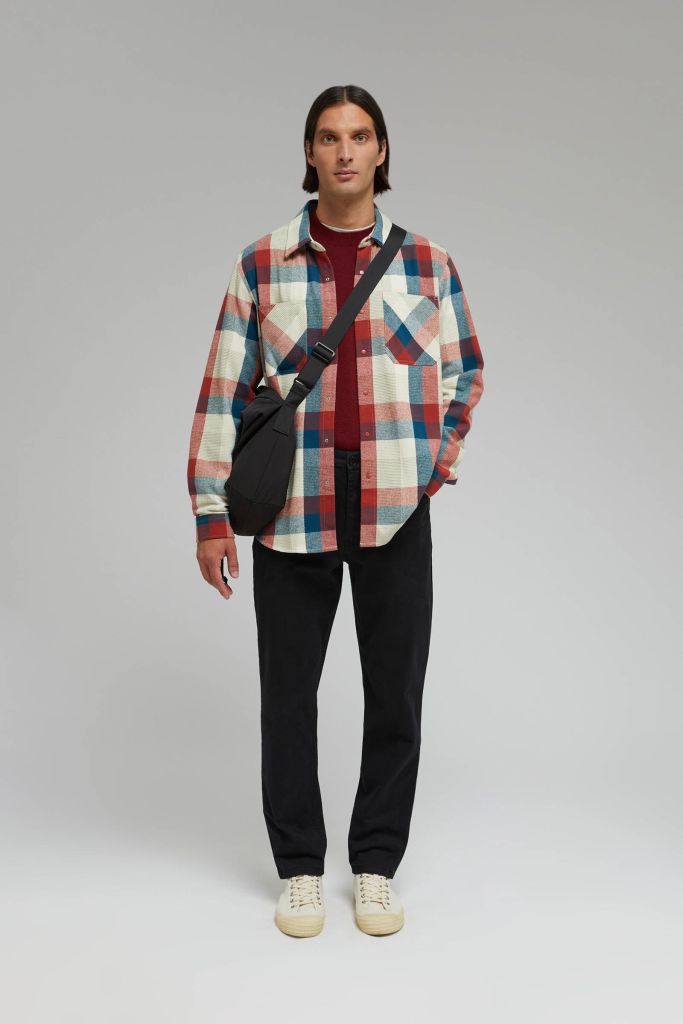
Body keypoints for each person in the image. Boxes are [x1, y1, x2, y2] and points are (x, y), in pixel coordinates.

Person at [187, 84, 485, 938]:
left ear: (381, 151)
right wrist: (211, 512)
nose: (345, 151)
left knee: (395, 694)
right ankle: (299, 870)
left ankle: (376, 865)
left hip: (394, 505)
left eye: (359, 136)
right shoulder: (262, 263)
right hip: (291, 505)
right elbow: (222, 388)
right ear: (309, 153)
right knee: (287, 697)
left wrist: (433, 464)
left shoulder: (427, 262)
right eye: (328, 137)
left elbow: (463, 369)